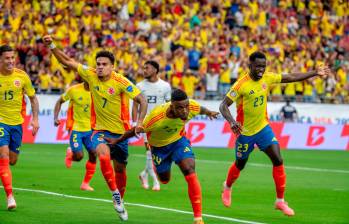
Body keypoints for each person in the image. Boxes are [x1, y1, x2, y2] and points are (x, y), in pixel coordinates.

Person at [43, 35, 147, 221]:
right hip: (99, 130)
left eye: (104, 64)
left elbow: (142, 100)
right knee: (103, 154)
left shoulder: (121, 82)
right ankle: (114, 193)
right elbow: (67, 61)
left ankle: (120, 200)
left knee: (121, 170)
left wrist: (139, 122)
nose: (99, 67)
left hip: (121, 134)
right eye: (98, 63)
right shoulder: (90, 74)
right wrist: (51, 45)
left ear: (112, 66)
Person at [219, 51, 331, 216]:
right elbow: (223, 105)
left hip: (263, 128)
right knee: (240, 163)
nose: (261, 70)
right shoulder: (240, 84)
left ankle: (280, 201)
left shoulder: (268, 77)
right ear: (250, 65)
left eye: (263, 66)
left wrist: (314, 72)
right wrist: (232, 122)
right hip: (245, 132)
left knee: (278, 159)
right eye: (258, 66)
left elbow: (290, 77)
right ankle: (227, 187)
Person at [106, 89, 219, 224]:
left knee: (189, 169)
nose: (185, 111)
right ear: (171, 106)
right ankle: (156, 166)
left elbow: (201, 109)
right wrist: (117, 140)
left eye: (186, 106)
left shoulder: (191, 107)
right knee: (164, 179)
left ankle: (198, 218)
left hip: (178, 141)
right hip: (159, 148)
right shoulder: (156, 118)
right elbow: (135, 130)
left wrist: (209, 113)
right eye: (180, 108)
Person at [0, 45, 40, 210]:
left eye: (12, 58)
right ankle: (10, 196)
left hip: (17, 123)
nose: (10, 61)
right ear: (0, 59)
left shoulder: (22, 76)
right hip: (1, 122)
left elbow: (33, 98)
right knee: (3, 154)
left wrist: (35, 119)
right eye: (7, 58)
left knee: (12, 160)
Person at [132, 60, 171, 191]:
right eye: (144, 68)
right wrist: (134, 121)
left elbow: (169, 105)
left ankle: (144, 174)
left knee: (157, 154)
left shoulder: (165, 86)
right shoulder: (139, 85)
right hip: (145, 124)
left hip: (160, 125)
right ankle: (155, 181)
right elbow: (135, 105)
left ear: (155, 70)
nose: (144, 70)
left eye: (147, 68)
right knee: (150, 153)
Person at [53, 79, 97, 191]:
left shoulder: (98, 90)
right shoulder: (74, 90)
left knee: (93, 154)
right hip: (76, 128)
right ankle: (71, 154)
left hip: (90, 129)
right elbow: (59, 101)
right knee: (79, 157)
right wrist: (56, 117)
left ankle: (85, 184)